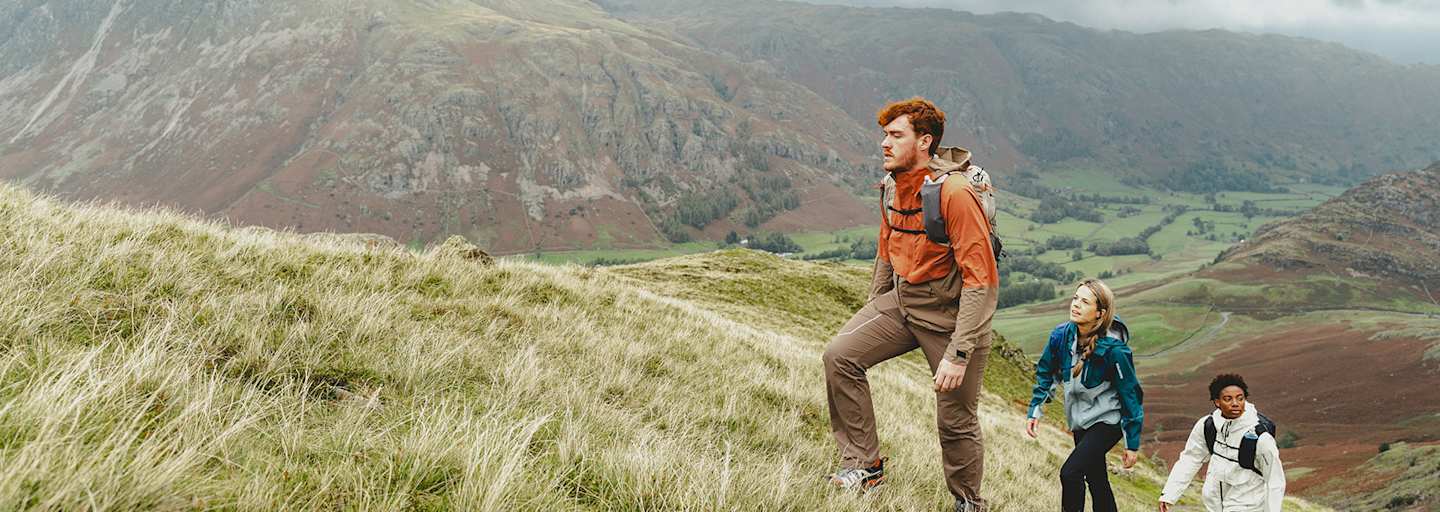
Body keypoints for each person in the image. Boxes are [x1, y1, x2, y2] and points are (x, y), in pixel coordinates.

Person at [822, 97, 998, 512]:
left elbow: (981, 279)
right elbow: (886, 252)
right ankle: (864, 466)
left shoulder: (953, 193)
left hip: (953, 318)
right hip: (904, 303)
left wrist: (958, 352)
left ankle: (969, 503)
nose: (884, 143)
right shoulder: (890, 187)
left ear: (924, 142)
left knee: (955, 420)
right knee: (840, 356)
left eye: (895, 135)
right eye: (885, 134)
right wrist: (872, 309)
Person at [1025, 278, 1143, 512]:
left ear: (1100, 313)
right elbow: (1046, 373)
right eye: (1075, 298)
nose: (1075, 304)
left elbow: (1130, 394)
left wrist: (1132, 443)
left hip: (1108, 422)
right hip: (1080, 421)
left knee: (1070, 473)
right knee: (1097, 480)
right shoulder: (1061, 336)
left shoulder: (1114, 349)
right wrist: (1036, 410)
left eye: (1085, 301)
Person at [1159, 374, 1285, 512]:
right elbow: (1190, 459)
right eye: (1228, 399)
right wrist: (1169, 495)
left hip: (1250, 506)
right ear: (1217, 402)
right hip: (1214, 505)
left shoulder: (1260, 437)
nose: (1235, 403)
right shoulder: (1208, 425)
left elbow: (1275, 481)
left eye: (1240, 398)